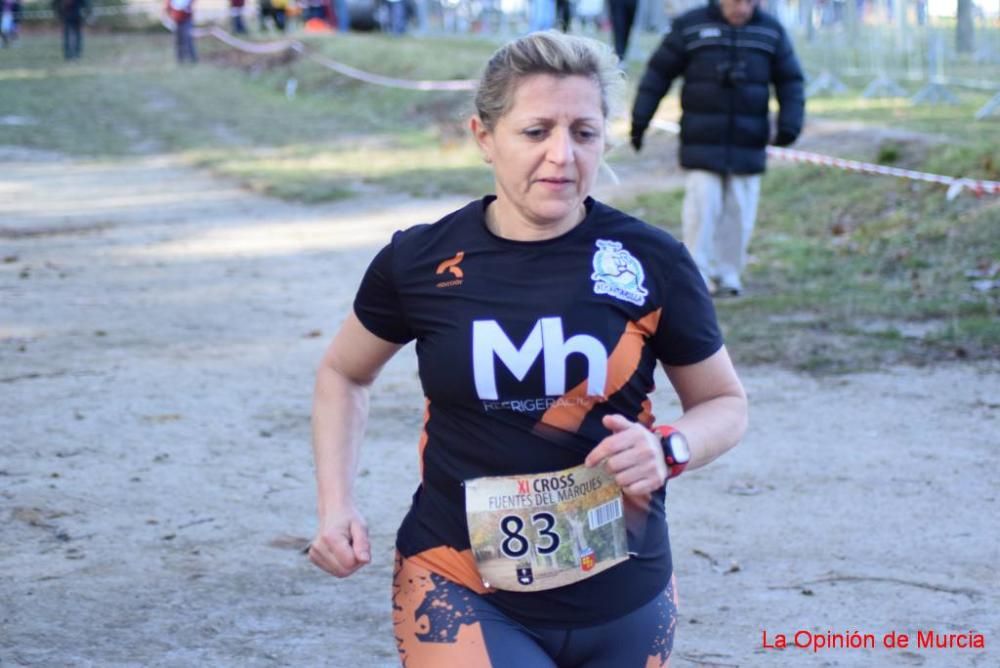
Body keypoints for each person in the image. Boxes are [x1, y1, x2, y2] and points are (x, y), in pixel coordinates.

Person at [308, 30, 748, 667]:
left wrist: (668, 448)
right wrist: (335, 505)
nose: (561, 156)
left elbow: (725, 403)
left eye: (584, 132)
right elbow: (343, 375)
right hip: (457, 583)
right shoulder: (420, 260)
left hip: (627, 590)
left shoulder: (650, 260)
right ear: (484, 136)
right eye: (536, 131)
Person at [630, 0, 805, 296]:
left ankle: (729, 274)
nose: (743, 8)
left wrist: (790, 124)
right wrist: (640, 120)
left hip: (748, 141)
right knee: (702, 209)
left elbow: (791, 81)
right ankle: (698, 275)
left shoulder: (770, 32)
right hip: (702, 141)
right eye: (737, 1)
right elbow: (658, 74)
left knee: (740, 211)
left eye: (751, 2)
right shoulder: (691, 26)